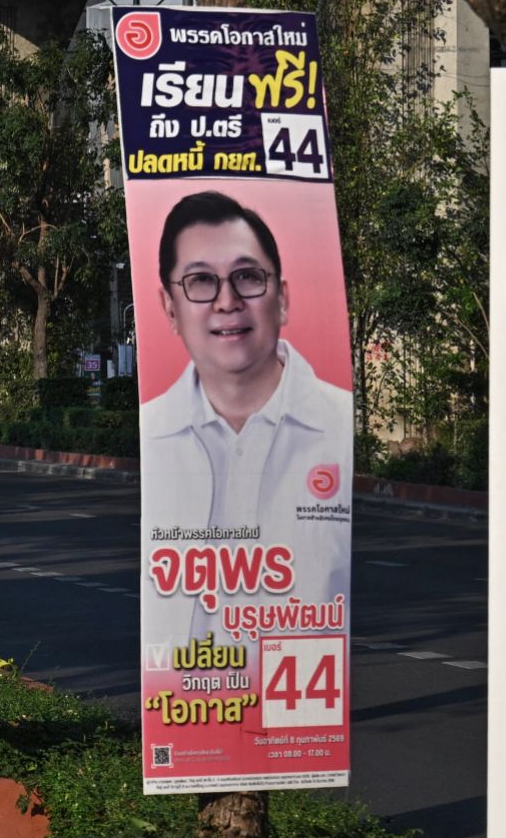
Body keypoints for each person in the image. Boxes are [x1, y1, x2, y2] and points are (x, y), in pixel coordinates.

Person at [137, 191, 351, 641]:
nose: (227, 301)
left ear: (283, 298)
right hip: (183, 699)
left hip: (304, 701)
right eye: (200, 281)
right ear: (170, 309)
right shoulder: (152, 433)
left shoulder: (336, 425)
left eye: (247, 277)